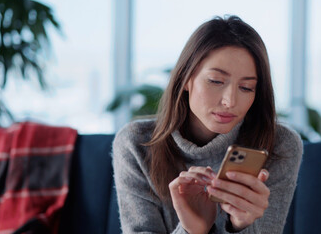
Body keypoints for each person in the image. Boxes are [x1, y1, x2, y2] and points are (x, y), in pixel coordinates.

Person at [112, 15, 303, 234]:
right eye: (215, 81)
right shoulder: (136, 144)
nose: (230, 101)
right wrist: (191, 229)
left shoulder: (279, 145)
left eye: (247, 88)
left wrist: (241, 226)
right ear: (185, 79)